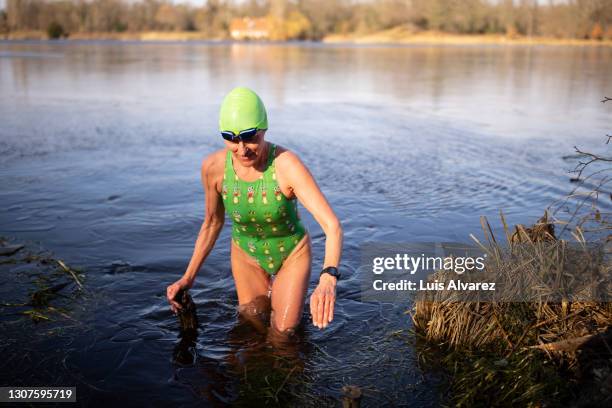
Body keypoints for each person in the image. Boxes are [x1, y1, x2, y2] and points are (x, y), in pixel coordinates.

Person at [166, 87, 343, 336]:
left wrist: (328, 278)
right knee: (250, 327)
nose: (242, 149)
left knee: (283, 334)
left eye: (250, 137)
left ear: (264, 129)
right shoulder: (213, 168)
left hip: (291, 253)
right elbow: (212, 223)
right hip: (245, 254)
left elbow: (332, 226)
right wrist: (188, 278)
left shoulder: (286, 165)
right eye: (231, 138)